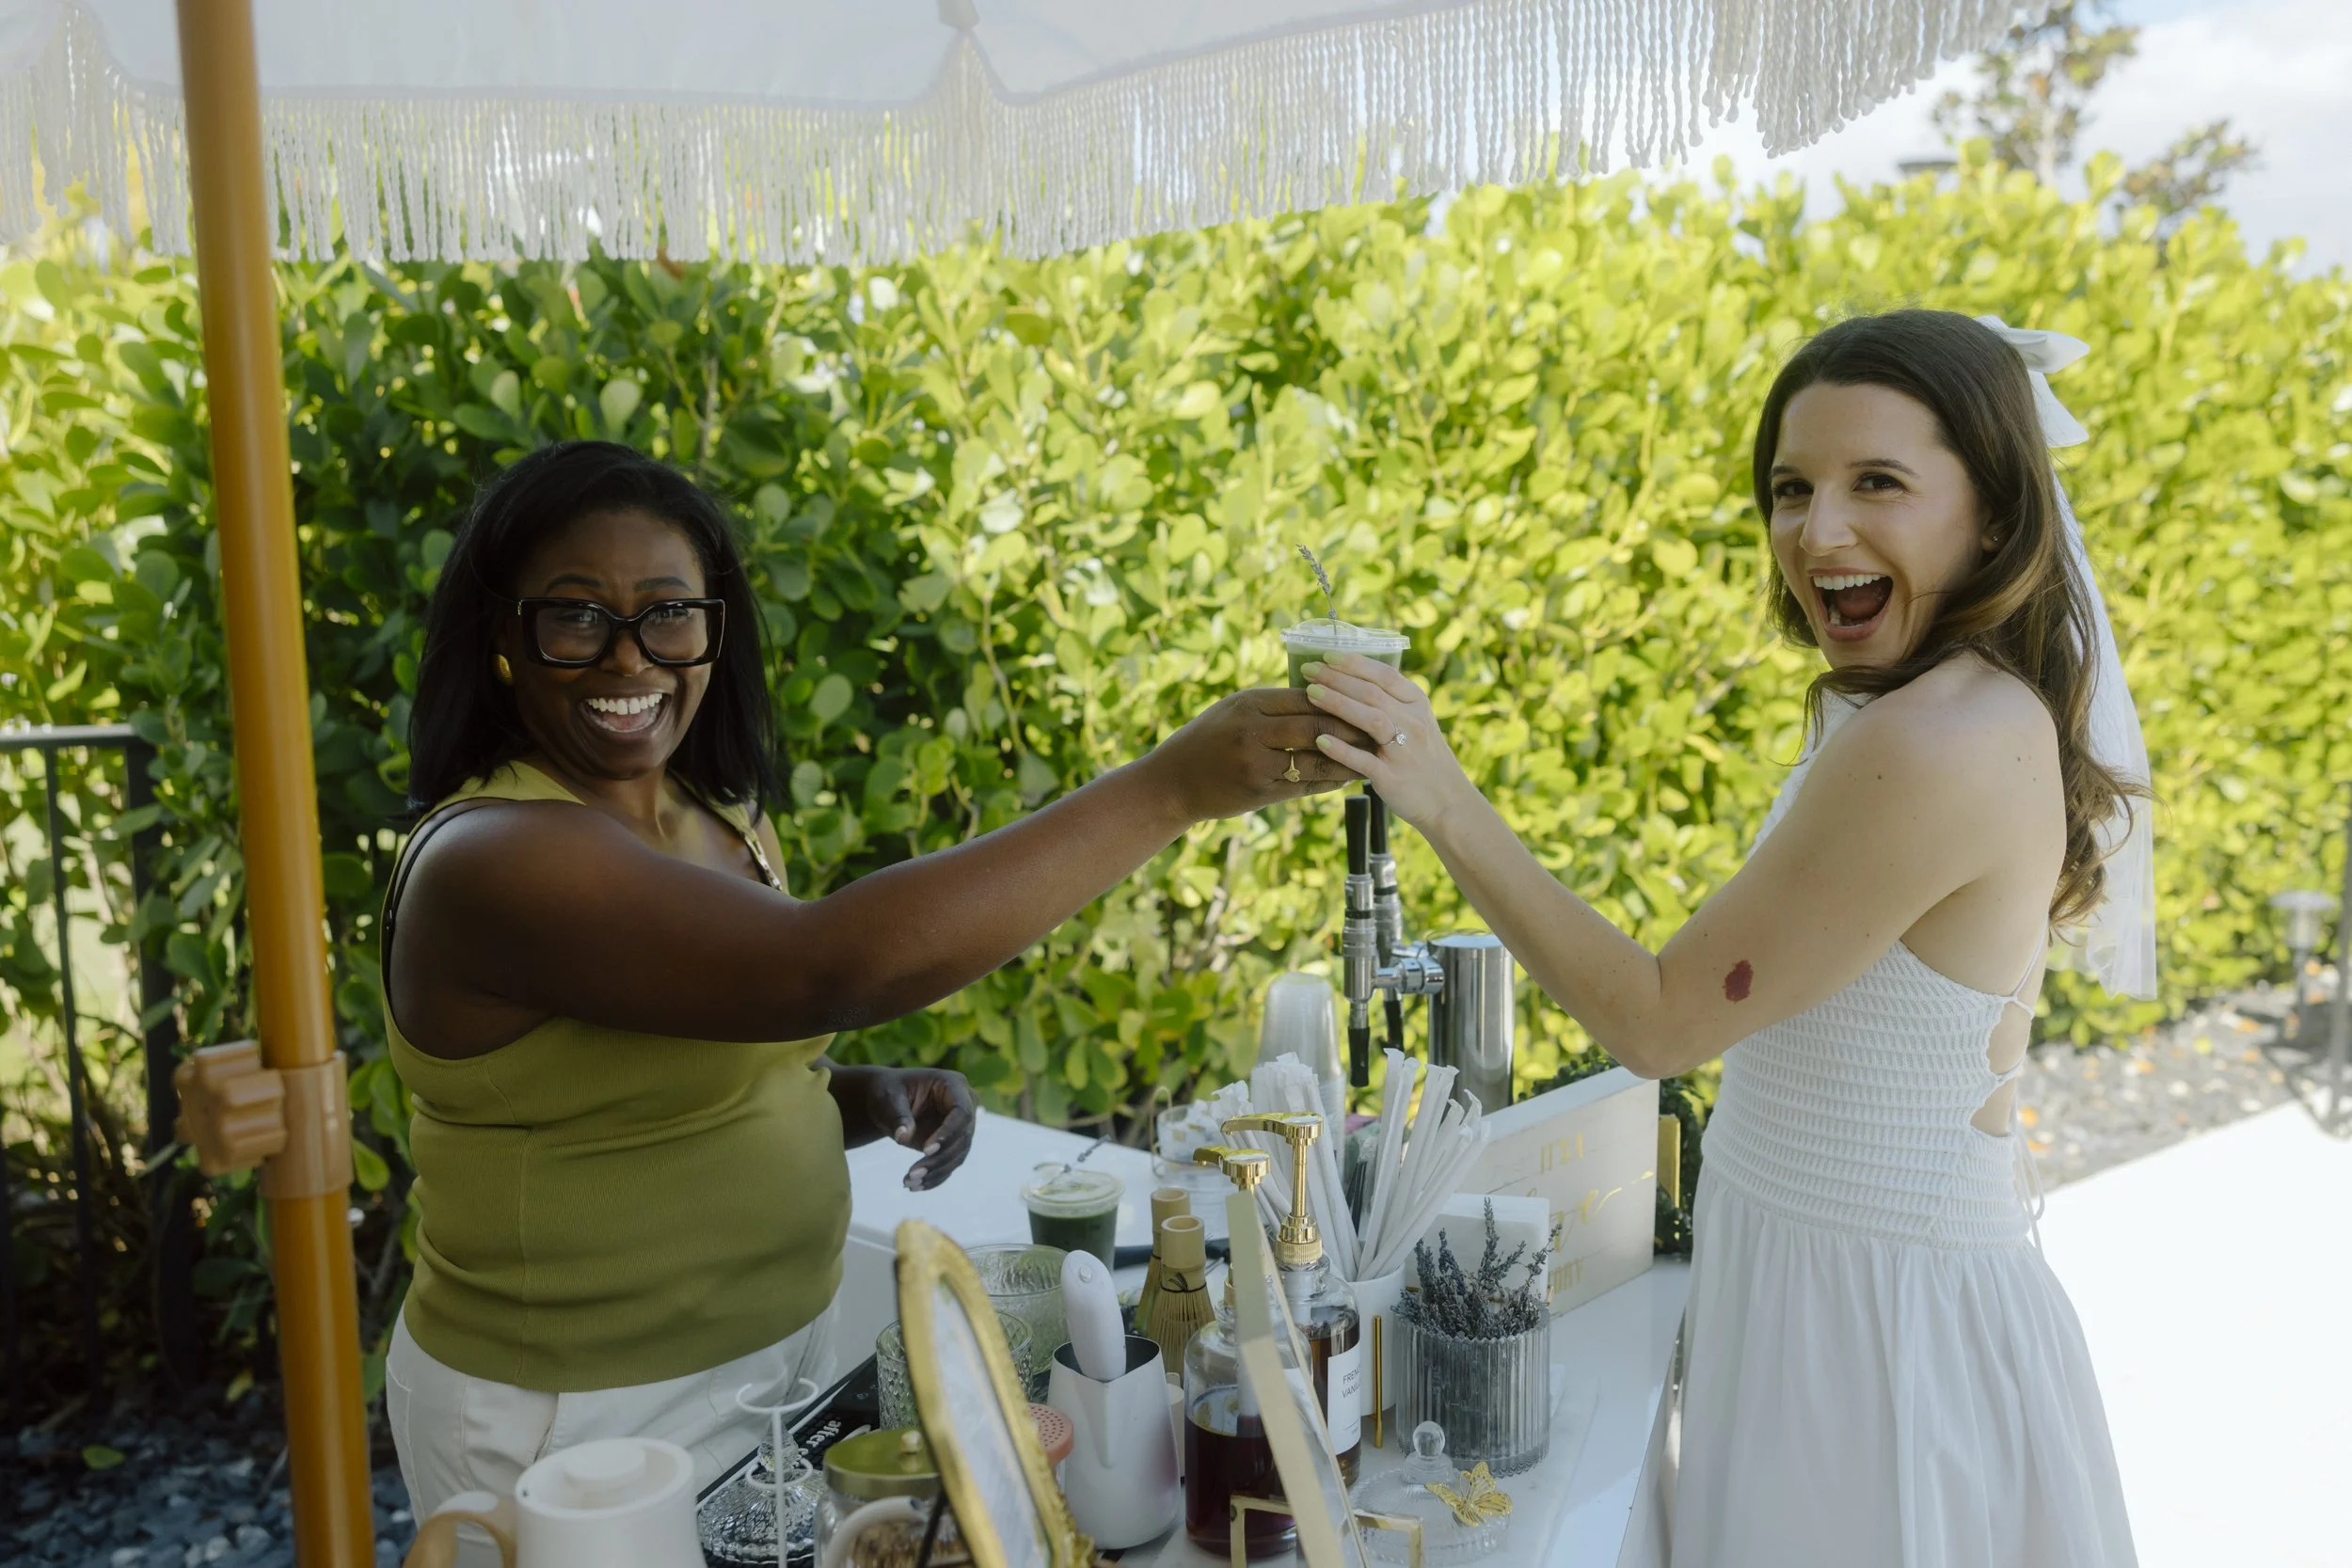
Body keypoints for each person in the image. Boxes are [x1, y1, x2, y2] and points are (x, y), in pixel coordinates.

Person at [379, 440, 1364, 1552]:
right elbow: (823, 965)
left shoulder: (713, 812)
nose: (631, 656)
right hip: (578, 1421)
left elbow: (679, 1073)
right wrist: (1172, 786)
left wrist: (851, 1095)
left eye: (668, 614)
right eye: (575, 616)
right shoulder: (494, 858)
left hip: (776, 1366)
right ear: (502, 636)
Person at [1305, 310, 2143, 1566]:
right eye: (1792, 487)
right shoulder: (1935, 707)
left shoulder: (1941, 740)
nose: (1818, 532)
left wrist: (1439, 792)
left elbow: (1659, 1017)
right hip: (1813, 1304)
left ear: (1994, 512)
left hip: (1876, 1357)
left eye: (1880, 483)